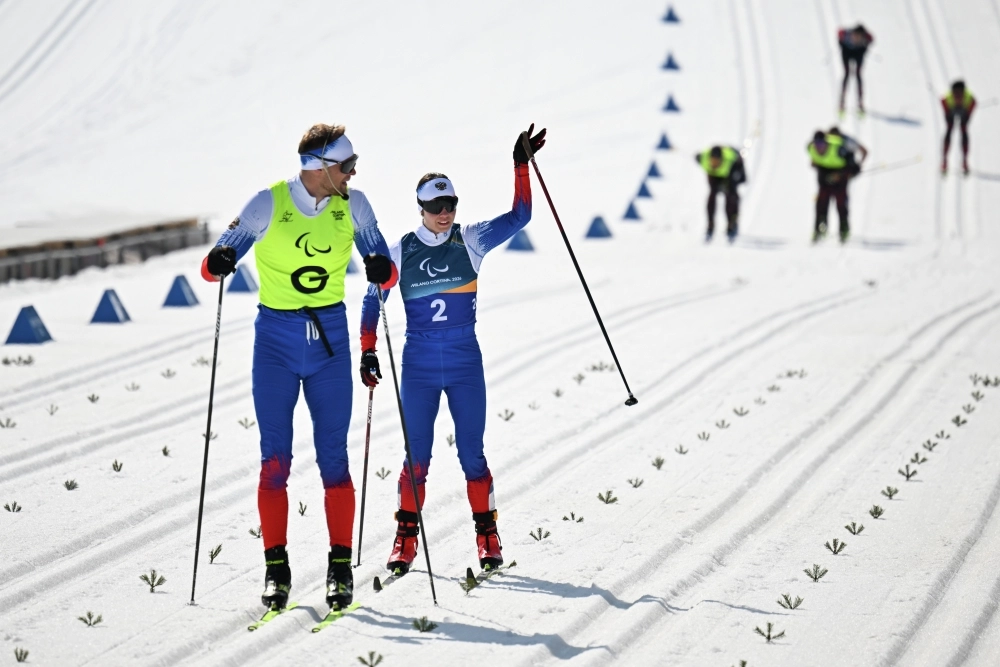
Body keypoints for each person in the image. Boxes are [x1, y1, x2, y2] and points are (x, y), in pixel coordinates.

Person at [200, 123, 392, 613]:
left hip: (329, 345)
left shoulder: (355, 205)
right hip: (276, 346)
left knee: (334, 460)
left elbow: (386, 269)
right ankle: (276, 569)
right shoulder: (267, 203)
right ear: (321, 167)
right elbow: (210, 266)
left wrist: (380, 268)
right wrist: (220, 259)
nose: (353, 173)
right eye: (347, 165)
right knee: (274, 462)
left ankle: (340, 567)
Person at [363, 125, 546, 575]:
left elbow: (520, 216)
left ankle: (487, 536)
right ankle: (405, 540)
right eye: (435, 207)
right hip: (419, 366)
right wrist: (368, 349)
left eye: (450, 205)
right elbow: (372, 299)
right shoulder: (400, 251)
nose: (445, 214)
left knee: (471, 453)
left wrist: (520, 166)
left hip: (465, 362)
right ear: (421, 208)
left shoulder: (472, 239)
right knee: (417, 458)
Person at [807, 127, 867, 243]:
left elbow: (851, 163)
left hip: (840, 176)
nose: (819, 148)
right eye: (817, 145)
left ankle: (843, 229)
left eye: (821, 144)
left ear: (826, 143)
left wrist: (846, 172)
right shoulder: (810, 149)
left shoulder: (839, 148)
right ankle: (819, 228)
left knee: (841, 203)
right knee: (821, 203)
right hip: (824, 175)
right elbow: (814, 161)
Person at [694, 145, 746, 242]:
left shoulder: (731, 161)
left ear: (721, 160)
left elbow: (742, 175)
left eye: (717, 161)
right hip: (714, 176)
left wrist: (736, 179)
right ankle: (710, 224)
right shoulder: (704, 159)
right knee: (712, 195)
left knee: (731, 196)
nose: (714, 163)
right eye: (713, 161)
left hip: (729, 174)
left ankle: (732, 223)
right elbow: (697, 157)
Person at [941, 80, 976, 175]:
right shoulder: (947, 99)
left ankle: (965, 161)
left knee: (964, 130)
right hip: (951, 110)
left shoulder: (969, 99)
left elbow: (973, 104)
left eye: (960, 94)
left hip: (964, 110)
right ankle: (944, 161)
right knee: (949, 129)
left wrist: (967, 117)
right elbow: (943, 103)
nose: (957, 97)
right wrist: (948, 118)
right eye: (955, 94)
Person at [838, 24, 874, 114]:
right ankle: (842, 100)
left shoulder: (866, 38)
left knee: (858, 75)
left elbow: (871, 39)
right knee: (847, 74)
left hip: (858, 53)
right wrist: (841, 44)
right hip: (847, 53)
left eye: (859, 37)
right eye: (855, 36)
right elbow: (839, 33)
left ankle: (860, 101)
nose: (856, 38)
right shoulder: (846, 35)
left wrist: (865, 47)